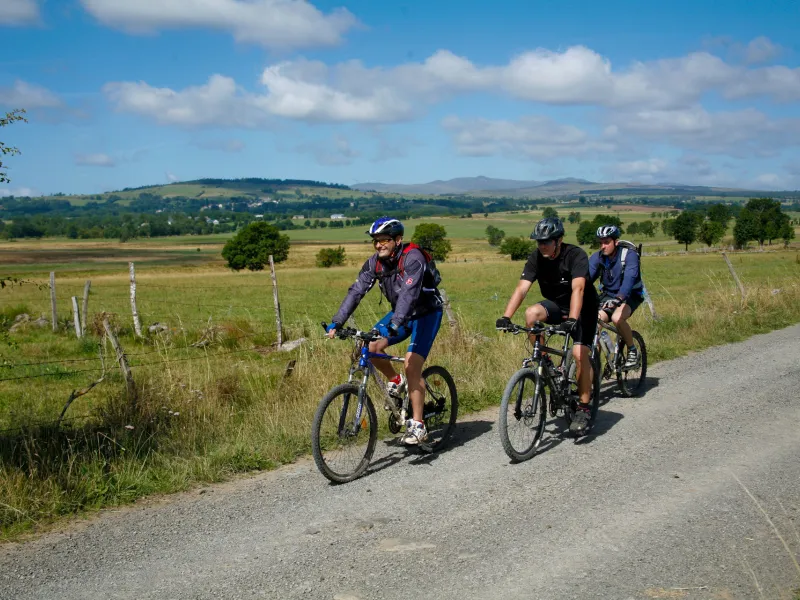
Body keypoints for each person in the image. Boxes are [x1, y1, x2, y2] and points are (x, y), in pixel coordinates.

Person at [327, 216, 444, 445]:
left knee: (412, 363)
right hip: (400, 315)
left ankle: (418, 425)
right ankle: (395, 378)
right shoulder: (375, 263)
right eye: (376, 241)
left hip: (426, 313)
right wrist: (337, 322)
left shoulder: (413, 258)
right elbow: (357, 291)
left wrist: (396, 323)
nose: (379, 245)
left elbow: (409, 295)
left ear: (398, 240)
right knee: (371, 346)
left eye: (385, 240)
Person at [496, 217, 599, 435]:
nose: (542, 245)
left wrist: (572, 320)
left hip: (583, 308)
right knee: (531, 314)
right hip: (557, 305)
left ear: (559, 240)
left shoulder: (575, 255)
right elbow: (522, 288)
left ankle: (583, 407)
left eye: (547, 241)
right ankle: (547, 364)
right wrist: (506, 316)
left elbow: (578, 290)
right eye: (539, 241)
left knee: (579, 353)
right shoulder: (536, 258)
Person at [588, 225, 644, 369]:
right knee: (595, 322)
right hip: (608, 296)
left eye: (606, 242)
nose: (603, 246)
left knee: (617, 318)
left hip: (630, 295)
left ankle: (632, 350)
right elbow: (585, 278)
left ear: (616, 242)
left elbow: (630, 279)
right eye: (600, 242)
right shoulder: (598, 257)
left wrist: (619, 299)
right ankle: (597, 364)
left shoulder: (629, 255)